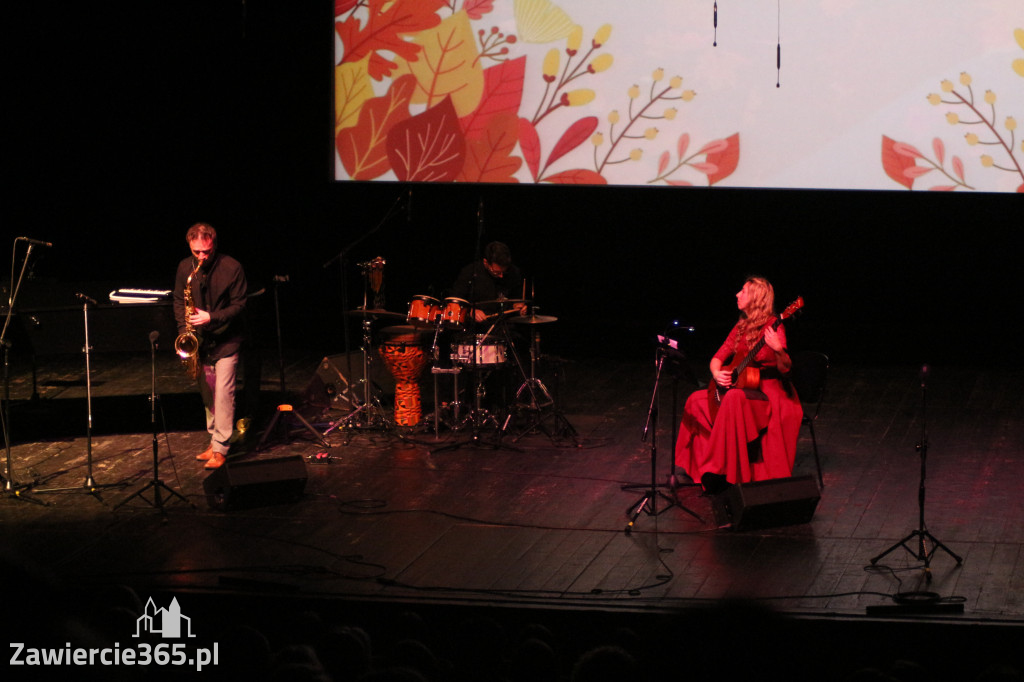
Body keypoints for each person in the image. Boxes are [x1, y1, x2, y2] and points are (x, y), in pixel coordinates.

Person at [674, 276, 803, 493]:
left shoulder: (774, 326)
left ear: (756, 297)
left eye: (742, 291)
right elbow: (717, 358)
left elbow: (786, 368)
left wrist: (778, 349)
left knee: (733, 398)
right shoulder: (742, 326)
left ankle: (722, 472)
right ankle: (700, 469)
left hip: (770, 394)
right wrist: (716, 374)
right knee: (696, 399)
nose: (737, 294)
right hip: (746, 391)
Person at [173, 222, 247, 469]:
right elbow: (177, 301)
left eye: (206, 251)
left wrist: (211, 317)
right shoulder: (185, 266)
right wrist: (185, 333)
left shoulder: (232, 266)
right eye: (197, 252)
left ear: (214, 243)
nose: (202, 257)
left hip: (227, 340)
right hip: (201, 342)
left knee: (224, 395)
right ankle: (215, 440)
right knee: (208, 396)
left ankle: (221, 448)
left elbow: (239, 305)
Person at [451, 241, 527, 323]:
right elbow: (455, 302)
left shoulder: (513, 272)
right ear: (485, 262)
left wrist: (517, 306)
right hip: (475, 326)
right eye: (496, 272)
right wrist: (470, 311)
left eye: (504, 272)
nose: (501, 276)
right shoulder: (470, 272)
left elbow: (516, 298)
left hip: (505, 324)